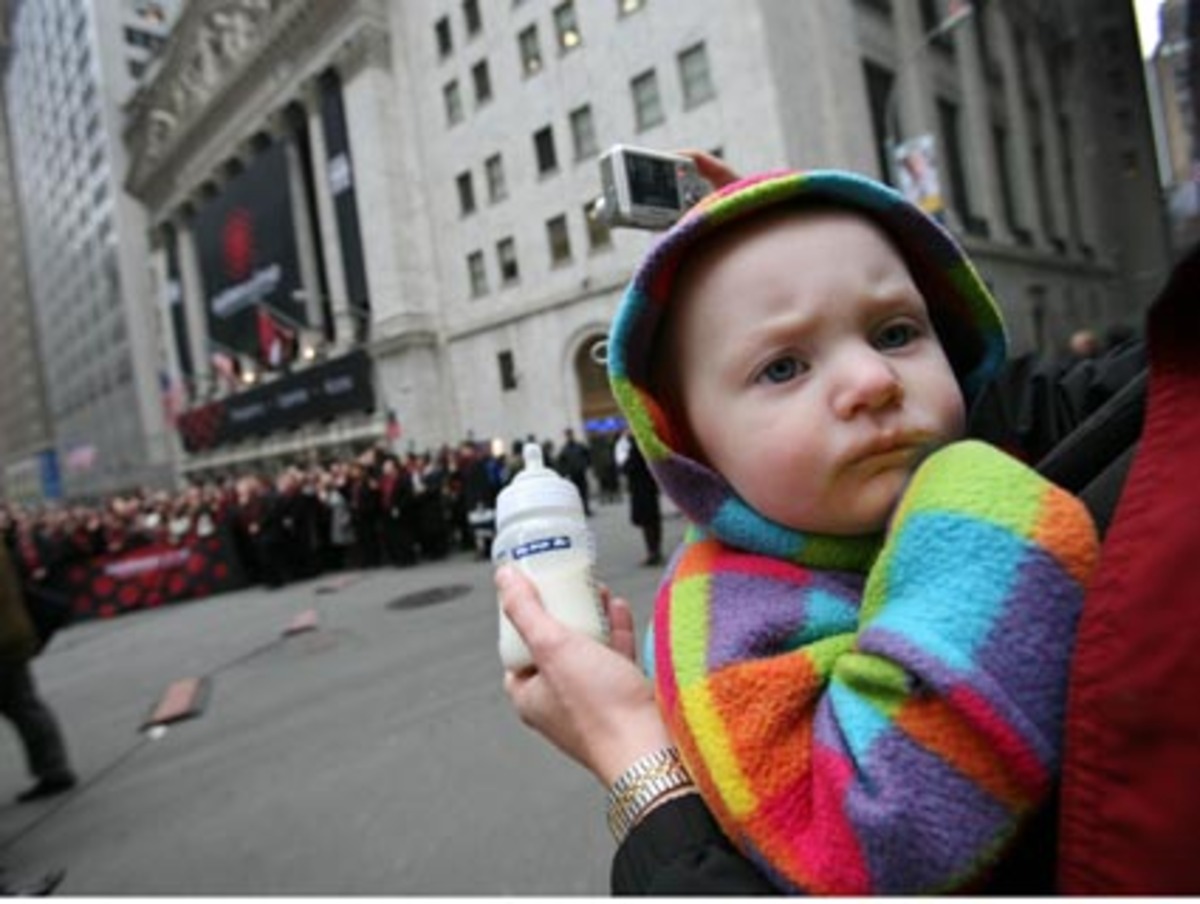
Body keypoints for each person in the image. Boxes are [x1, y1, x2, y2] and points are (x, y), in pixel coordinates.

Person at [500, 169, 1099, 894]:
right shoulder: (724, 621)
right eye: (783, 366)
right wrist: (978, 509)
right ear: (693, 444)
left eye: (897, 331)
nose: (872, 379)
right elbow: (870, 841)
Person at [0, 542, 77, 804]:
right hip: (11, 636)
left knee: (22, 705)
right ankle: (53, 767)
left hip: (4, 640)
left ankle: (53, 768)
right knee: (24, 704)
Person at [616, 429, 662, 566]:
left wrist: (622, 466)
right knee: (653, 521)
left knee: (647, 521)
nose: (625, 432)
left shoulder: (635, 446)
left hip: (640, 490)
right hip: (648, 487)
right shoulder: (643, 444)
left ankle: (652, 553)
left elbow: (629, 466)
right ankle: (656, 551)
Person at [556, 428, 593, 517]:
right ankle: (579, 510)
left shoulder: (579, 446)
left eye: (570, 434)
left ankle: (586, 509)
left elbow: (588, 455)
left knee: (584, 492)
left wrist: (586, 465)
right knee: (576, 493)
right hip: (573, 474)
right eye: (568, 435)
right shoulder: (564, 449)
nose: (570, 436)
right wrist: (565, 472)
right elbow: (561, 462)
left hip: (581, 473)